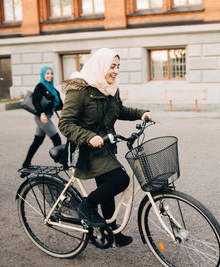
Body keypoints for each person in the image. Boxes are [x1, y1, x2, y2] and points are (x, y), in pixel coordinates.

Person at [58, 48, 152, 247]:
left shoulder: (110, 88)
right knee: (120, 179)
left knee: (106, 189)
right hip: (84, 149)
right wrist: (89, 136)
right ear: (100, 66)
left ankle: (112, 232)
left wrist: (141, 113)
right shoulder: (79, 91)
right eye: (112, 66)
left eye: (118, 66)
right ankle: (86, 205)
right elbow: (65, 124)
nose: (116, 71)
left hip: (104, 147)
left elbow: (120, 110)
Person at [22, 66, 63, 168]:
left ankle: (26, 163)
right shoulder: (40, 86)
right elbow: (35, 101)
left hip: (46, 116)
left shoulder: (53, 89)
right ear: (43, 75)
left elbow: (60, 105)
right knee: (56, 138)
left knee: (38, 140)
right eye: (47, 74)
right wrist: (42, 114)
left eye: (51, 73)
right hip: (41, 117)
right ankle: (62, 161)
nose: (50, 76)